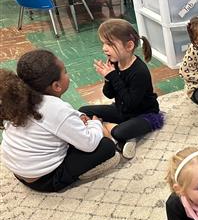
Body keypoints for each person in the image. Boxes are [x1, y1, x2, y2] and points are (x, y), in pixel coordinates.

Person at [0, 50, 118, 192]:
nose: (68, 74)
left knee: (78, 121)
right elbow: (89, 144)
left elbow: (60, 117)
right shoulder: (55, 108)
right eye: (66, 72)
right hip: (45, 180)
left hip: (19, 171)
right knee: (106, 146)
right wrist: (96, 124)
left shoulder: (20, 100)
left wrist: (79, 117)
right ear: (56, 86)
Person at [79, 18, 163, 160]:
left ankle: (115, 133)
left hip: (144, 114)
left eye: (110, 44)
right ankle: (122, 134)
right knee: (83, 110)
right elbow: (109, 94)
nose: (104, 48)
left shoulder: (139, 71)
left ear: (129, 46)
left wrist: (113, 77)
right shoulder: (115, 62)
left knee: (119, 132)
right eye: (104, 43)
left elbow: (131, 103)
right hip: (122, 110)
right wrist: (107, 78)